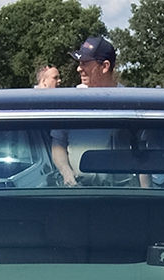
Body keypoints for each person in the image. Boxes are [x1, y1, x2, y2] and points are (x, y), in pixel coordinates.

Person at [51, 37, 119, 186]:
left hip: (122, 193)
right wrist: (66, 173)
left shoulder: (128, 102)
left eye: (85, 63)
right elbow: (57, 144)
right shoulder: (71, 101)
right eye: (79, 63)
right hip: (79, 192)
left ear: (105, 66)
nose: (79, 68)